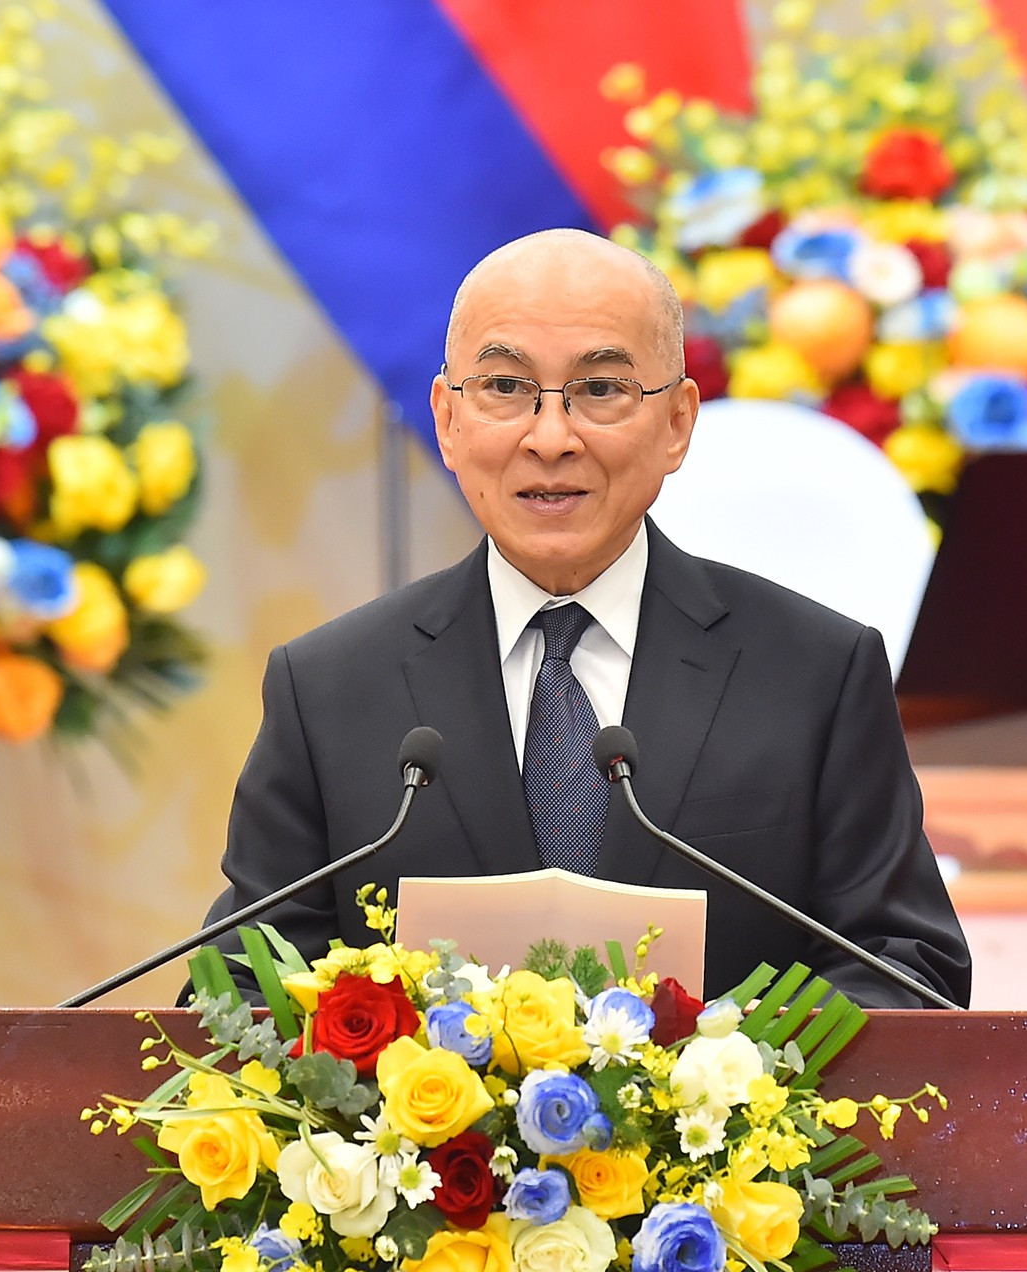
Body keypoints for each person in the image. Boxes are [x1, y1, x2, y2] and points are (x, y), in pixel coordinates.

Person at [196, 229, 969, 1007]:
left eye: (600, 390)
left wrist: (731, 1069)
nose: (551, 438)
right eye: (505, 387)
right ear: (448, 419)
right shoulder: (329, 688)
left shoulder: (814, 674)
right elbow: (240, 986)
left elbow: (904, 966)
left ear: (678, 423)